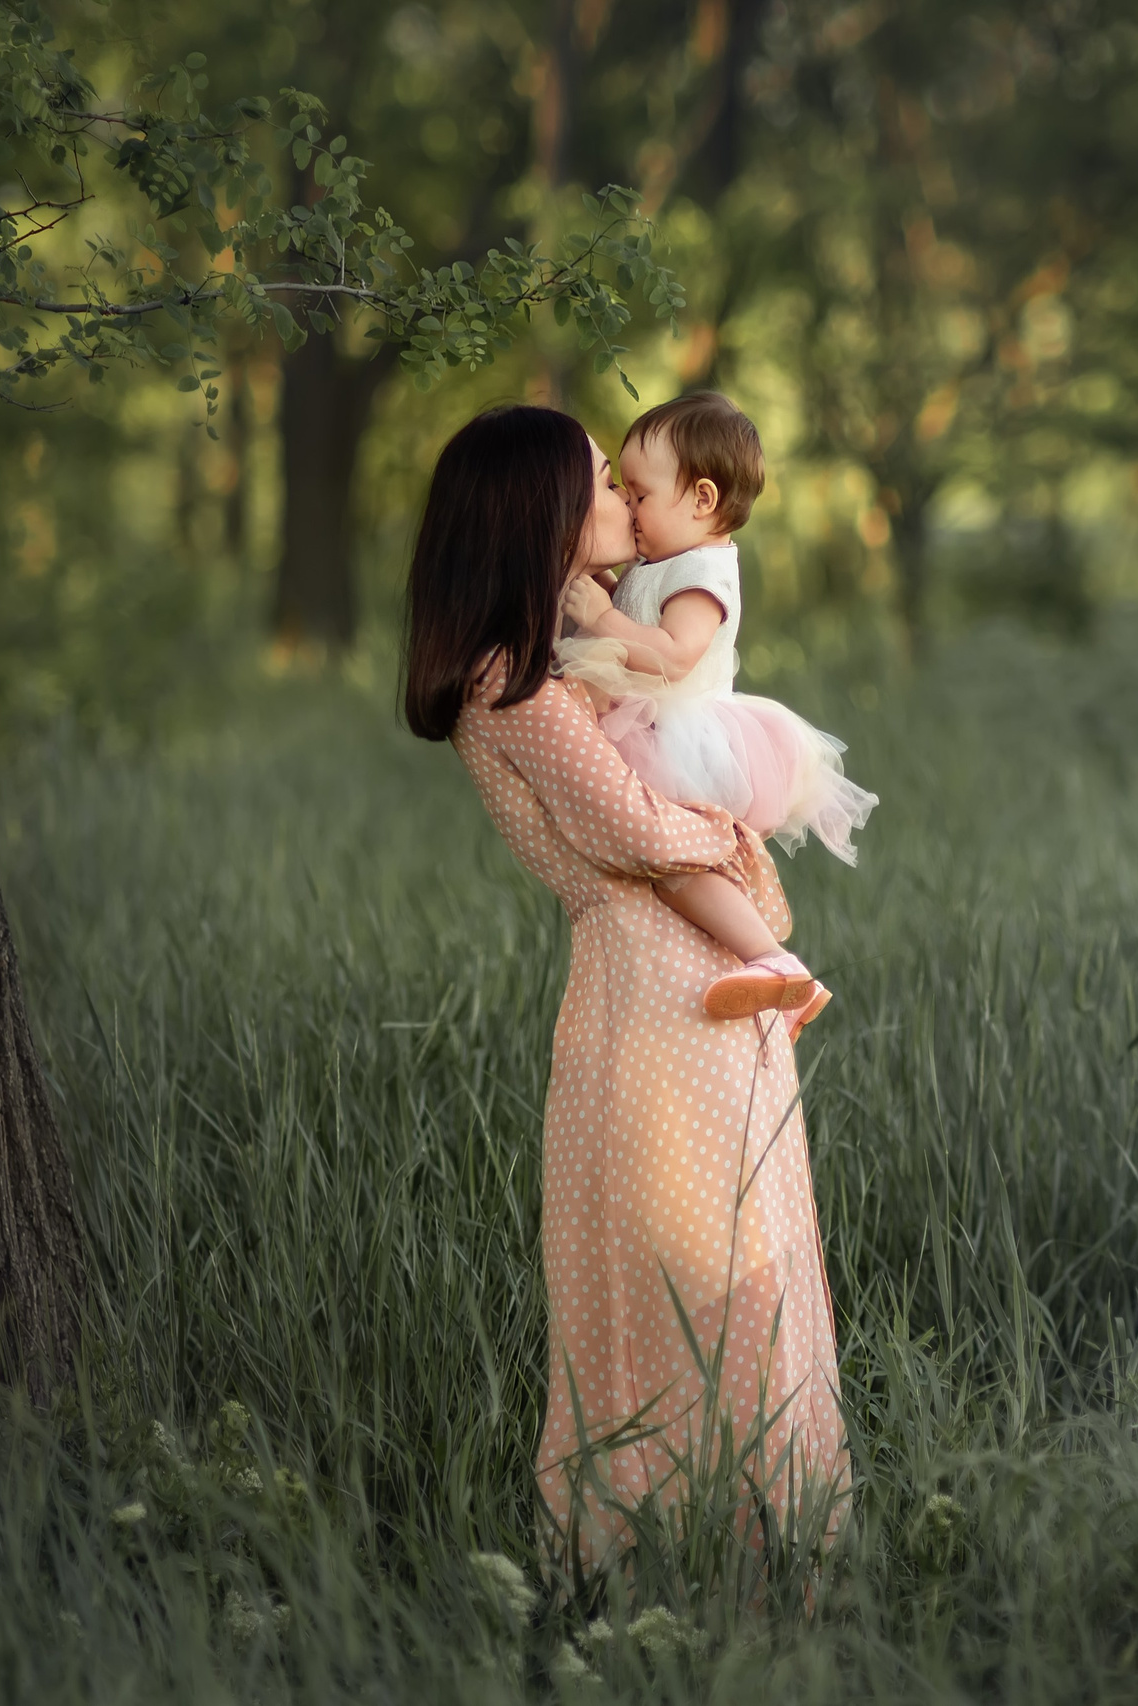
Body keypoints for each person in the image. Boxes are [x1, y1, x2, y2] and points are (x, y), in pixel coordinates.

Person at [401, 403, 845, 1563]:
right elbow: (634, 826)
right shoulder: (513, 683)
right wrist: (737, 842)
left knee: (749, 1268)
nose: (623, 503)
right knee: (683, 1283)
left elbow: (666, 775)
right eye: (603, 483)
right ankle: (675, 1557)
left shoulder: (568, 662)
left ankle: (764, 1552)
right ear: (542, 511)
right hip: (651, 990)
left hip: (692, 974)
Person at [557, 393, 875, 1037]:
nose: (629, 506)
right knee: (671, 867)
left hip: (685, 735)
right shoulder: (664, 563)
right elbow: (638, 631)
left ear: (701, 499)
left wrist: (601, 616)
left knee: (677, 867)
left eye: (640, 495)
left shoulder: (704, 571)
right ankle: (765, 970)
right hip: (654, 726)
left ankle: (775, 964)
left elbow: (673, 657)